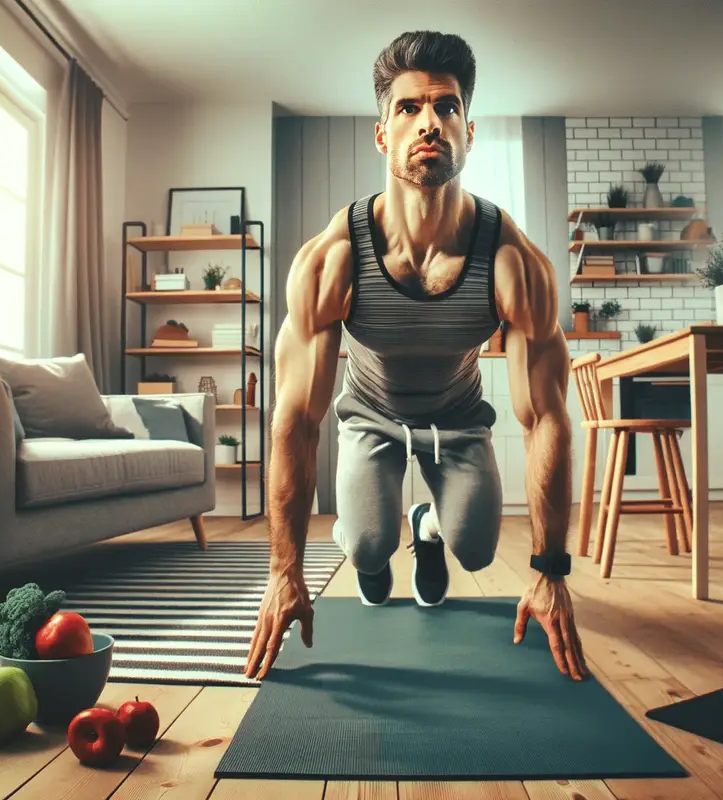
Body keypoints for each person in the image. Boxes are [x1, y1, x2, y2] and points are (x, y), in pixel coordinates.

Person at [245, 30, 590, 683]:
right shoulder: (332, 258)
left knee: (479, 547)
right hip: (368, 417)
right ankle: (378, 547)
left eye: (446, 106)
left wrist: (550, 572)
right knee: (368, 547)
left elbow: (547, 418)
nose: (429, 121)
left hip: (459, 420)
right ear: (383, 135)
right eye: (408, 107)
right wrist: (283, 572)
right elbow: (295, 417)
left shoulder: (512, 260)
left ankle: (428, 525)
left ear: (468, 130)